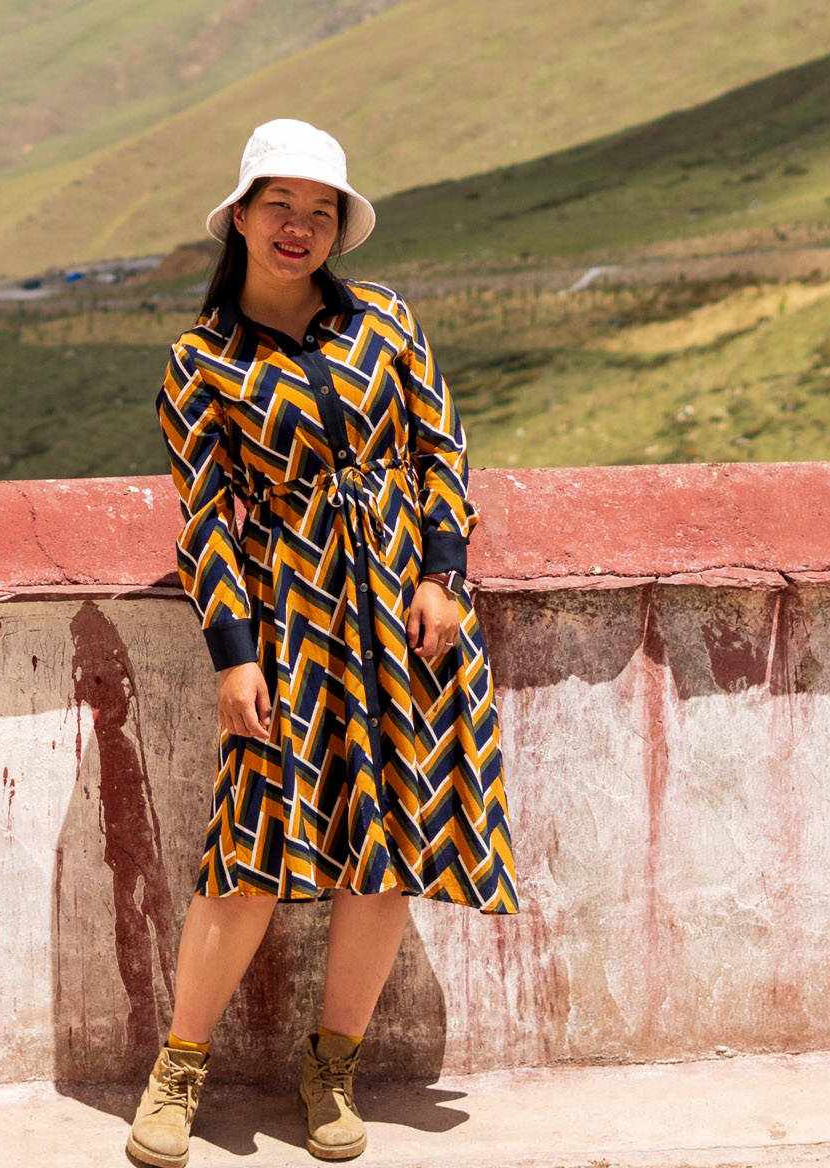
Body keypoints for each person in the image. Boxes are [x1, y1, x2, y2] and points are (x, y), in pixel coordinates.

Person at [127, 118, 517, 1166]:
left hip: (406, 615)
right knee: (251, 845)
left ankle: (331, 1063)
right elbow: (206, 522)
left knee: (388, 841)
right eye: (279, 206)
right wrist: (235, 655)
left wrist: (444, 575)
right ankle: (179, 1067)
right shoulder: (200, 360)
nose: (299, 227)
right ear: (241, 216)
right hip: (292, 620)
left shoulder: (386, 320)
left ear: (340, 224)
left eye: (321, 209)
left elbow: (442, 449)